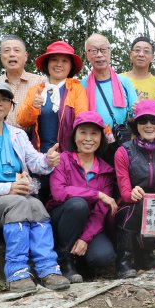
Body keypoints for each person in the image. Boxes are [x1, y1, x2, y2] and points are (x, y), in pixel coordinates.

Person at [0, 82, 69, 292]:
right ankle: (16, 272)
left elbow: (35, 162)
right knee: (20, 203)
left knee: (36, 206)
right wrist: (7, 188)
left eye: (4, 99)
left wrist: (48, 160)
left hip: (15, 200)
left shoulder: (17, 135)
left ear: (10, 106)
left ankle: (48, 269)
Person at [47, 111, 117, 283]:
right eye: (83, 132)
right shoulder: (62, 160)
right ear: (74, 135)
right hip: (62, 219)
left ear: (101, 138)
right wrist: (97, 194)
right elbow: (59, 192)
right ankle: (64, 261)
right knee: (79, 205)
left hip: (87, 225)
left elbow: (100, 212)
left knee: (104, 257)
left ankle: (81, 260)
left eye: (94, 133)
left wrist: (85, 238)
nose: (88, 138)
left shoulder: (106, 171)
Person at [17, 41, 88, 203]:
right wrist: (33, 107)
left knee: (64, 203)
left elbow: (82, 123)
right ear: (47, 64)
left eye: (64, 61)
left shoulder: (76, 90)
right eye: (54, 60)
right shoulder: (36, 90)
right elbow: (22, 121)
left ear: (71, 66)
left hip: (67, 161)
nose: (59, 64)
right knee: (38, 204)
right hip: (39, 160)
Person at [113, 100, 155, 278]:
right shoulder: (124, 152)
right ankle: (124, 259)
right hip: (129, 207)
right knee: (138, 205)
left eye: (154, 120)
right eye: (143, 120)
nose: (149, 125)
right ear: (136, 125)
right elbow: (124, 191)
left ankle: (144, 253)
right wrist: (131, 193)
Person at [80, 33, 138, 164]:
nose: (99, 55)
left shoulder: (124, 82)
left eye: (103, 49)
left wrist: (138, 110)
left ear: (110, 51)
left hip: (121, 142)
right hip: (93, 144)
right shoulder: (81, 85)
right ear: (87, 55)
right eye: (94, 50)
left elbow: (135, 115)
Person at [120, 36, 155, 118]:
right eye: (137, 50)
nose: (141, 54)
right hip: (120, 130)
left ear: (152, 57)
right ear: (130, 54)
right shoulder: (118, 80)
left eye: (146, 51)